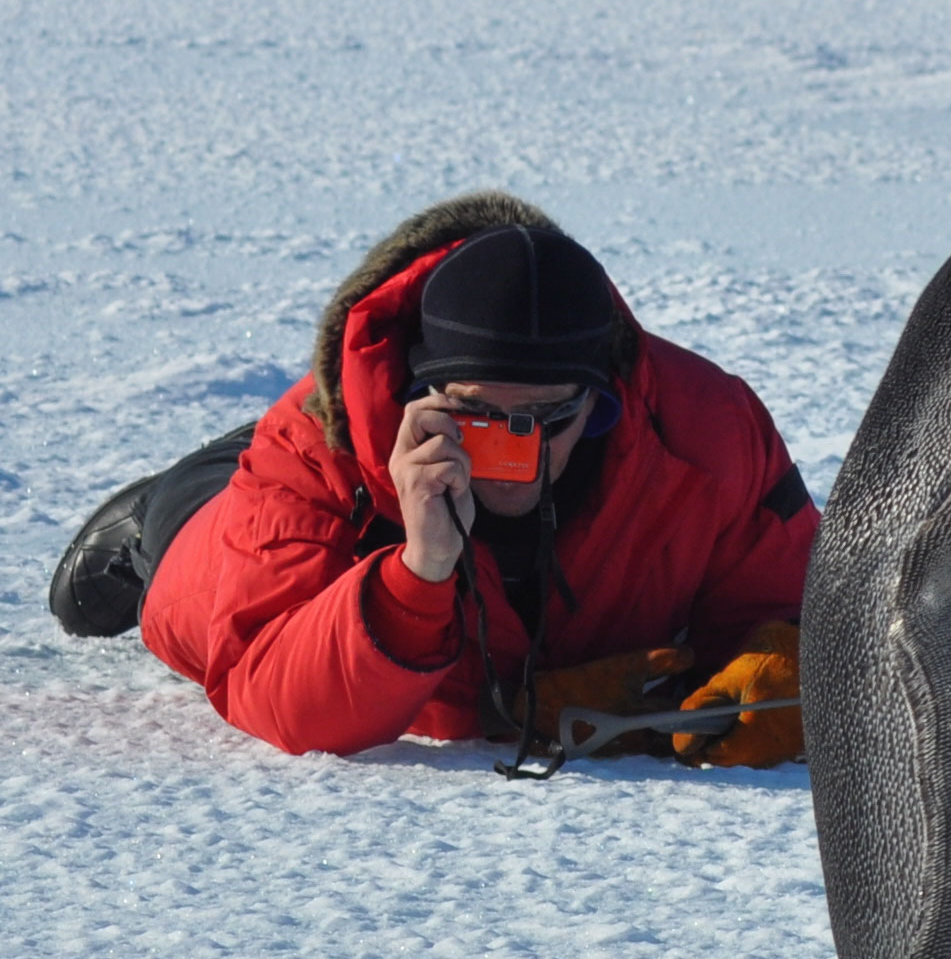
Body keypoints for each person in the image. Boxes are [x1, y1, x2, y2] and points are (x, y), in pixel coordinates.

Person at [53, 194, 819, 766]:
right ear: (421, 394)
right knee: (187, 542)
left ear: (604, 395)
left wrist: (785, 663)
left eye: (549, 418)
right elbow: (280, 699)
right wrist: (418, 573)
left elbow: (797, 599)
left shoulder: (705, 425)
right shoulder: (313, 448)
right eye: (479, 416)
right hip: (221, 531)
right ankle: (157, 505)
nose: (515, 450)